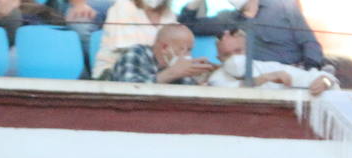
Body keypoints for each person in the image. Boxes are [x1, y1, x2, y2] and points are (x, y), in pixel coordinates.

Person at [178, 0, 323, 71]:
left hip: (295, 76)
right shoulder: (227, 19)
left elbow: (309, 43)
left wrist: (310, 73)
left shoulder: (283, 6)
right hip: (258, 84)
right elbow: (188, 24)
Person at [206, 25, 334, 93]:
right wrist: (265, 79)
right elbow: (229, 90)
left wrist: (325, 81)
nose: (234, 58)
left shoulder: (270, 67)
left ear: (249, 51)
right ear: (219, 58)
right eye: (227, 54)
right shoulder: (216, 78)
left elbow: (319, 78)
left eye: (238, 51)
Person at [104, 22, 212, 83]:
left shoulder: (180, 69)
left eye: (190, 50)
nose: (188, 56)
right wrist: (172, 73)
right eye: (185, 50)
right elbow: (129, 90)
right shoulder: (136, 53)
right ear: (165, 47)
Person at [91, 0, 175, 78]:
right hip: (115, 73)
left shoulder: (169, 14)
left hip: (155, 73)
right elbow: (131, 49)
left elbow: (175, 50)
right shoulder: (123, 5)